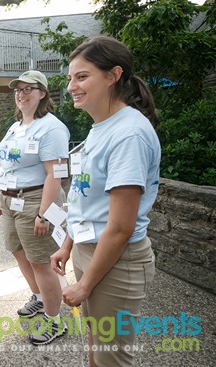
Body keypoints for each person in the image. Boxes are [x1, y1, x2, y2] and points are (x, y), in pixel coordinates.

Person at [51, 36, 160, 366]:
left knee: (113, 356)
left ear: (113, 75)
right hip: (89, 250)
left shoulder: (129, 133)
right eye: (70, 78)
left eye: (82, 77)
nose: (72, 86)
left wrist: (84, 284)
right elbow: (84, 197)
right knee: (97, 345)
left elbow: (121, 226)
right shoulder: (101, 126)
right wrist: (68, 245)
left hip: (116, 259)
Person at [0, 70, 70, 345]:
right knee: (17, 251)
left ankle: (55, 321)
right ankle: (39, 298)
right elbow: (8, 163)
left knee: (41, 262)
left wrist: (43, 214)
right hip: (10, 199)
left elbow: (56, 175)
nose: (21, 94)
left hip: (36, 201)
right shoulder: (16, 126)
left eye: (29, 89)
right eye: (18, 89)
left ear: (42, 93)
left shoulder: (52, 128)